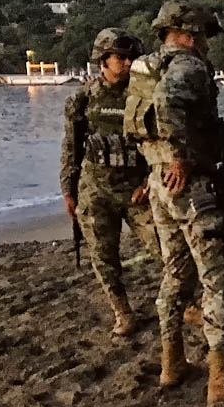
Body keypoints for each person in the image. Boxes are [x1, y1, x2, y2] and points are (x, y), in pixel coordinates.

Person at [124, 1, 224, 407]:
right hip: (188, 184)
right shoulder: (187, 66)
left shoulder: (146, 67)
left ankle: (172, 363)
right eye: (204, 35)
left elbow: (138, 124)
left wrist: (163, 163)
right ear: (188, 34)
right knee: (217, 278)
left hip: (160, 184)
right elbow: (169, 107)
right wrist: (181, 157)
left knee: (175, 274)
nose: (207, 43)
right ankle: (221, 377)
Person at [60, 28, 161, 336]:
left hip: (136, 188)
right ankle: (123, 313)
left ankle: (185, 304)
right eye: (121, 57)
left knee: (164, 247)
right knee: (104, 257)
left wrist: (150, 181)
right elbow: (71, 147)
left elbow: (158, 142)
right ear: (103, 60)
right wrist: (68, 190)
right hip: (96, 189)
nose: (128, 63)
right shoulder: (82, 99)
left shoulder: (144, 96)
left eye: (132, 57)